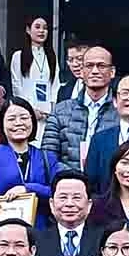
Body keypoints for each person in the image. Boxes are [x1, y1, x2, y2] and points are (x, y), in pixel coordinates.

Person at [47, 42, 116, 170]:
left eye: (101, 66)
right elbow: (48, 157)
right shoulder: (60, 110)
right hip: (68, 180)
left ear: (112, 72)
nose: (95, 71)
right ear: (82, 71)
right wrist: (71, 177)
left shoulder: (121, 112)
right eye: (89, 66)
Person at [0, 98, 57, 207]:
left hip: (40, 217)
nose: (18, 123)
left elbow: (57, 192)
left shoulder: (47, 157)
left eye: (24, 118)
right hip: (1, 216)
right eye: (11, 119)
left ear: (32, 121)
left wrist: (28, 188)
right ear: (1, 123)